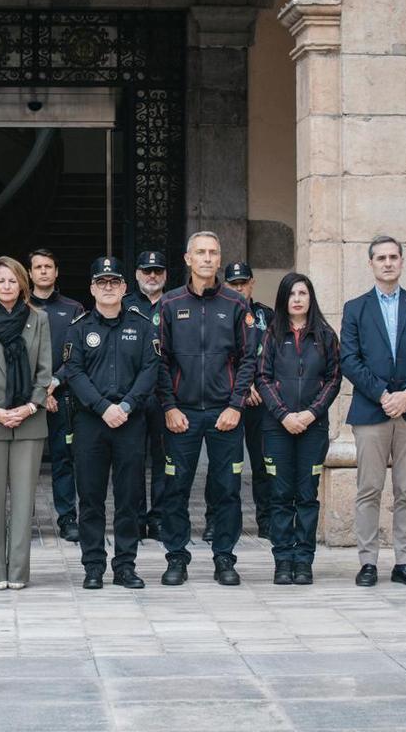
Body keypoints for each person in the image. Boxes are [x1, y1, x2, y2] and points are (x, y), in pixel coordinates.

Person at [156, 231, 256, 587]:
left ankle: (224, 557)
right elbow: (159, 361)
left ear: (219, 259)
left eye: (213, 252)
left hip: (224, 414)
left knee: (226, 488)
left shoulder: (236, 303)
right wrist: (169, 406)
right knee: (175, 487)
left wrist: (236, 405)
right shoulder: (169, 304)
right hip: (181, 414)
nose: (208, 258)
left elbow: (248, 360)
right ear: (188, 259)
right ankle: (176, 558)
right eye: (200, 252)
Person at [340, 235, 406, 588]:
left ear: (401, 262)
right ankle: (368, 562)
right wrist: (383, 394)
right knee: (368, 488)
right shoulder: (356, 308)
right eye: (380, 258)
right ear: (371, 264)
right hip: (371, 410)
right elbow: (349, 359)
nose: (387, 263)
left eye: (393, 257)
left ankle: (404, 562)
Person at [65, 257, 159, 590]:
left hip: (130, 422)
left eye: (114, 282)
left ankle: (125, 566)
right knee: (90, 498)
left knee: (129, 498)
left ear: (124, 288)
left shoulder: (143, 326)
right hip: (91, 422)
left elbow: (150, 370)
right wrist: (103, 407)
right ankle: (93, 566)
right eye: (101, 282)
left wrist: (127, 405)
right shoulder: (79, 328)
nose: (108, 287)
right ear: (92, 288)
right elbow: (74, 372)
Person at [0, 256, 52, 589]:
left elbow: (44, 370)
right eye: (0, 280)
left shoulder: (39, 320)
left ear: (22, 284)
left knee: (23, 500)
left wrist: (30, 407)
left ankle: (17, 572)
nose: (6, 286)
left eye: (12, 280)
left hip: (29, 420)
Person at [256, 272, 341, 585]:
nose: (297, 299)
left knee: (307, 495)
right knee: (280, 494)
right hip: (277, 427)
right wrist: (283, 415)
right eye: (291, 294)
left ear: (310, 298)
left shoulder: (325, 335)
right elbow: (262, 377)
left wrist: (310, 413)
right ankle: (282, 560)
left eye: (302, 293)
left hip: (313, 427)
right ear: (283, 299)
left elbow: (334, 378)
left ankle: (303, 560)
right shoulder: (271, 334)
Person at [27, 248, 85, 542]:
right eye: (38, 267)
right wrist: (40, 390)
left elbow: (78, 354)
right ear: (30, 273)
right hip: (27, 398)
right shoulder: (19, 305)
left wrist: (54, 382)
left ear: (56, 271)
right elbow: (14, 353)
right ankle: (22, 521)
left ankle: (67, 519)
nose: (43, 271)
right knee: (23, 464)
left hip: (62, 397)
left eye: (48, 266)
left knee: (63, 460)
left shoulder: (73, 309)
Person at [222, 261, 274, 541]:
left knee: (263, 464)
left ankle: (266, 521)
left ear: (252, 283)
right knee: (226, 465)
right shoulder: (218, 313)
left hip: (260, 401)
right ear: (225, 285)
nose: (239, 288)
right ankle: (220, 522)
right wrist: (242, 387)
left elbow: (273, 355)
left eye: (243, 283)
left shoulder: (267, 315)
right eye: (233, 284)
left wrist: (258, 384)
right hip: (229, 398)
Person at [124, 250, 167, 540]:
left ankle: (159, 518)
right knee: (133, 460)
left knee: (164, 460)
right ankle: (136, 519)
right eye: (147, 270)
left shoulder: (175, 303)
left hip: (165, 395)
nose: (152, 276)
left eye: (157, 271)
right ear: (137, 274)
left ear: (165, 275)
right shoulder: (124, 304)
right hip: (134, 394)